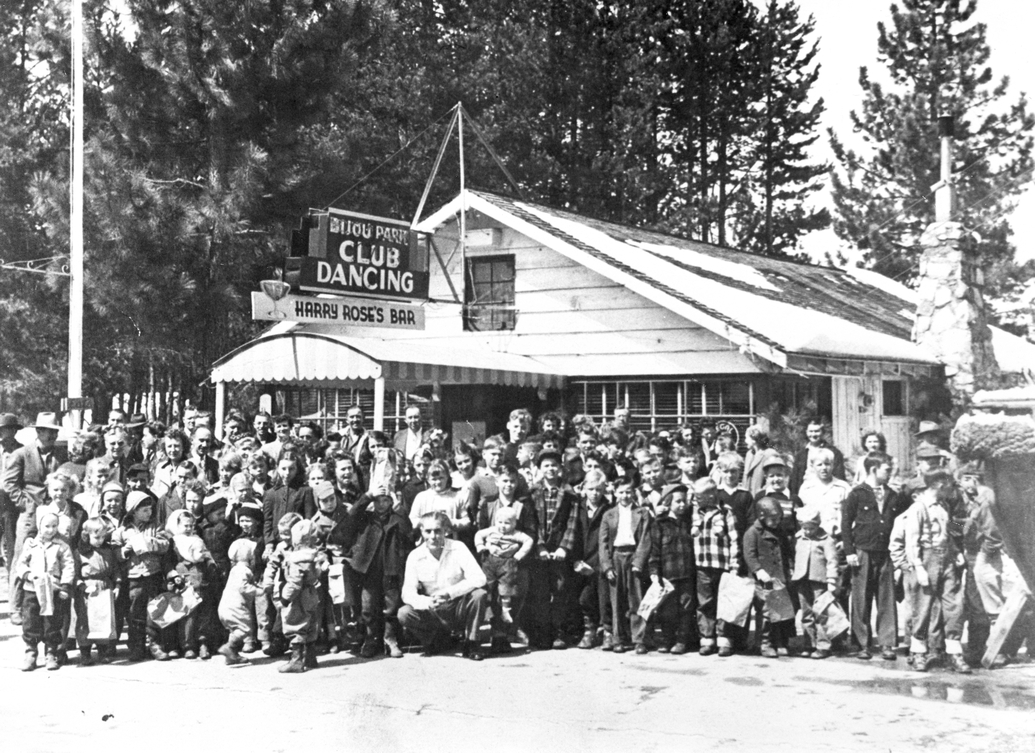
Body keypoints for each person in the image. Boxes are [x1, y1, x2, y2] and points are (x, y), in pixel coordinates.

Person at [901, 468, 971, 673]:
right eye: (949, 484)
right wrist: (919, 568)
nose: (952, 489)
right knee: (922, 609)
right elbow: (911, 541)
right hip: (926, 558)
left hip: (947, 558)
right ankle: (918, 652)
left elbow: (949, 531)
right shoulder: (918, 508)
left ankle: (955, 654)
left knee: (954, 606)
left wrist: (956, 551)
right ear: (940, 484)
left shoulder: (945, 505)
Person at [841, 452, 908, 661]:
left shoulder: (894, 495)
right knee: (861, 599)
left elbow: (908, 516)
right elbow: (845, 523)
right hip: (862, 551)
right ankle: (862, 644)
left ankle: (887, 643)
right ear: (873, 469)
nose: (891, 473)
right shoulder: (857, 493)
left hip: (886, 553)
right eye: (887, 469)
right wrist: (850, 551)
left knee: (886, 599)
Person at [3, 411, 66, 626]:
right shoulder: (21, 454)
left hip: (53, 513)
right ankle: (16, 607)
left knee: (55, 556)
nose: (52, 436)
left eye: (55, 432)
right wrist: (25, 504)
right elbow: (9, 484)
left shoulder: (61, 454)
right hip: (29, 515)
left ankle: (48, 604)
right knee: (21, 557)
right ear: (38, 432)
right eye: (48, 432)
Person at [399, 511, 489, 661]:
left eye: (437, 531)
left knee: (479, 594)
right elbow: (407, 592)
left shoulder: (458, 548)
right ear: (421, 531)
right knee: (404, 613)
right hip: (433, 610)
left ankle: (472, 642)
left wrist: (450, 592)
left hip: (459, 605)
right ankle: (435, 639)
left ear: (445, 531)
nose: (433, 536)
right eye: (428, 531)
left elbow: (479, 578)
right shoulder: (415, 556)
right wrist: (426, 602)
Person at [341, 488, 414, 659]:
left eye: (385, 500)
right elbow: (350, 517)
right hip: (369, 570)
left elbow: (408, 532)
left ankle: (390, 638)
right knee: (368, 606)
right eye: (378, 500)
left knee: (391, 606)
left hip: (391, 568)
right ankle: (371, 639)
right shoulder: (366, 518)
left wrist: (399, 507)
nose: (381, 505)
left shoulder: (397, 518)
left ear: (391, 501)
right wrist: (366, 496)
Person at [636, 482, 696, 655]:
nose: (682, 505)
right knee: (666, 610)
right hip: (667, 576)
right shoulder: (659, 524)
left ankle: (681, 641)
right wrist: (655, 573)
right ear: (668, 503)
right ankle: (667, 639)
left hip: (686, 573)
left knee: (686, 608)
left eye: (684, 501)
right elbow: (654, 552)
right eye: (678, 501)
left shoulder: (688, 523)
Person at [110, 490, 171, 661]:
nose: (149, 513)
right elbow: (115, 554)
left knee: (154, 611)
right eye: (144, 510)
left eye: (150, 509)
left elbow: (165, 544)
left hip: (153, 574)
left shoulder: (155, 527)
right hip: (133, 578)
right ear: (133, 511)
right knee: (134, 613)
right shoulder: (121, 532)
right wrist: (125, 550)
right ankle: (136, 646)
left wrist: (150, 543)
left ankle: (154, 644)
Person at [528, 448, 578, 651]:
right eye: (546, 465)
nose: (550, 469)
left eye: (554, 466)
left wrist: (564, 547)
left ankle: (559, 633)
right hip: (539, 549)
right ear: (540, 469)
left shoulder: (568, 493)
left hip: (559, 549)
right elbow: (531, 521)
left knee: (559, 590)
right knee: (539, 592)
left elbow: (572, 522)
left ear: (560, 469)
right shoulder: (532, 492)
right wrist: (538, 545)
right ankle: (542, 633)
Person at [958, 461, 1004, 666]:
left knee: (983, 605)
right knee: (968, 603)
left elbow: (993, 534)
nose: (968, 483)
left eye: (972, 478)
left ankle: (982, 650)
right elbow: (955, 528)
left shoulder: (985, 501)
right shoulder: (960, 501)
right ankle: (972, 648)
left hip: (981, 555)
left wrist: (983, 556)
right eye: (964, 478)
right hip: (964, 554)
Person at [15, 512, 74, 671]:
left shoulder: (61, 546)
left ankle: (51, 653)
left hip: (52, 590)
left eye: (54, 526)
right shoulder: (31, 545)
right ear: (40, 526)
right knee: (31, 621)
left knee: (52, 622)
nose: (50, 530)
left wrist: (65, 586)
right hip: (32, 589)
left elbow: (68, 567)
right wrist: (27, 574)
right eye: (47, 526)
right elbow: (21, 564)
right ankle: (31, 652)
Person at [599, 476, 650, 654]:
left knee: (636, 598)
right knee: (616, 600)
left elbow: (645, 539)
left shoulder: (642, 513)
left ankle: (639, 639)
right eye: (621, 492)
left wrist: (639, 562)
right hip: (616, 556)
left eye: (628, 491)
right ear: (615, 493)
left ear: (634, 492)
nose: (625, 495)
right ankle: (617, 638)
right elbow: (603, 543)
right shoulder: (609, 514)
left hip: (633, 555)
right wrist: (607, 566)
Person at [690, 477, 739, 657]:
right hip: (702, 564)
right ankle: (707, 638)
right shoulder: (696, 512)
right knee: (705, 603)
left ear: (711, 495)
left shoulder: (726, 512)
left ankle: (724, 639)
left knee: (724, 603)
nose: (697, 499)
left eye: (700, 496)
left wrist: (734, 564)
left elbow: (734, 539)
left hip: (722, 564)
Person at [476, 506, 533, 652]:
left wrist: (519, 554)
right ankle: (486, 612)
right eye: (500, 522)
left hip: (507, 562)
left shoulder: (516, 534)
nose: (502, 526)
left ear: (514, 524)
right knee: (486, 586)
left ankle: (506, 609)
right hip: (490, 561)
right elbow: (478, 534)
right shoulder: (491, 530)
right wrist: (481, 546)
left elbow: (529, 541)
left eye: (507, 523)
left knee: (506, 586)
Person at [743, 497, 795, 659]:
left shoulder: (780, 530)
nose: (776, 522)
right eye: (773, 519)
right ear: (761, 516)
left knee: (782, 610)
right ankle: (764, 643)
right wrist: (758, 570)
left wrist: (791, 568)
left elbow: (787, 552)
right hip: (763, 579)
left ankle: (781, 641)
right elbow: (749, 554)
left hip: (779, 577)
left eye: (779, 519)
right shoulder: (752, 533)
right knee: (765, 611)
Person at [570, 469, 613, 650]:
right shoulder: (577, 507)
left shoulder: (609, 509)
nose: (594, 493)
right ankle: (590, 629)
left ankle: (608, 630)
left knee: (605, 596)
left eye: (598, 489)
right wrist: (576, 561)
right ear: (584, 488)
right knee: (584, 597)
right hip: (581, 560)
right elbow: (571, 535)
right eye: (591, 489)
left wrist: (598, 564)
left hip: (601, 561)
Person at [791, 508, 841, 659]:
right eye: (804, 528)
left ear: (818, 525)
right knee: (806, 613)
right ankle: (809, 644)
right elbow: (794, 557)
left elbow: (832, 561)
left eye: (811, 528)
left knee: (820, 613)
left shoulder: (826, 540)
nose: (807, 531)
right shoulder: (798, 538)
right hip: (802, 579)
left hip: (819, 581)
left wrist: (831, 579)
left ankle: (823, 645)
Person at [275, 519, 322, 673]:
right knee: (310, 623)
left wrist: (285, 599)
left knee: (295, 624)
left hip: (298, 597)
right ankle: (310, 657)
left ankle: (296, 660)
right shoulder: (314, 556)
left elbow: (294, 583)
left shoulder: (296, 559)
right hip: (312, 592)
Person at [74, 517, 122, 665]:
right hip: (87, 590)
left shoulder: (107, 551)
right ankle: (85, 652)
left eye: (103, 537)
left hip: (105, 587)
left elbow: (115, 570)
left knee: (103, 619)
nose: (100, 540)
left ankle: (103, 651)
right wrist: (82, 586)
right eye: (96, 537)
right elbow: (74, 574)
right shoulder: (80, 552)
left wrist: (117, 585)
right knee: (85, 620)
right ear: (86, 535)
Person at [218, 538, 260, 666]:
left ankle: (232, 656)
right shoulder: (244, 570)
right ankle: (229, 647)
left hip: (225, 607)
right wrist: (259, 591)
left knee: (234, 630)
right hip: (236, 607)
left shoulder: (234, 569)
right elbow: (243, 587)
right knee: (245, 628)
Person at [262, 455, 316, 549]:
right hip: (276, 541)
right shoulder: (270, 493)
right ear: (278, 468)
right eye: (283, 469)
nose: (287, 473)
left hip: (298, 542)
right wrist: (269, 543)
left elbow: (308, 519)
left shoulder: (305, 491)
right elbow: (268, 521)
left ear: (297, 470)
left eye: (291, 469)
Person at [798, 448, 853, 539]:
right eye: (819, 465)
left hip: (836, 538)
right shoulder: (806, 489)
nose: (824, 468)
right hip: (813, 539)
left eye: (827, 464)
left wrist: (845, 541)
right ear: (813, 466)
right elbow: (800, 516)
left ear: (833, 465)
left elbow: (851, 515)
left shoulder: (843, 488)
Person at [0, 413, 24, 574]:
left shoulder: (23, 451)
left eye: (9, 429)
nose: (5, 433)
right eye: (2, 430)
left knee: (11, 540)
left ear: (15, 431)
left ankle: (13, 579)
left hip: (10, 502)